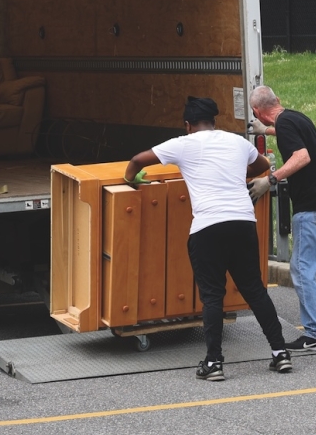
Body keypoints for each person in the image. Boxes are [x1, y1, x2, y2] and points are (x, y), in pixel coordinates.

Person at [123, 96, 292, 381]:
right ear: (214, 122)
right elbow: (262, 164)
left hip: (208, 227)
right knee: (254, 290)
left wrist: (132, 179)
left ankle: (214, 363)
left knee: (213, 296)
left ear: (188, 125)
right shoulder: (237, 142)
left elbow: (138, 160)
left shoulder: (182, 143)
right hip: (242, 222)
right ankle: (280, 353)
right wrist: (237, 174)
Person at [247, 85, 316, 353]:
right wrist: (265, 131)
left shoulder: (286, 124)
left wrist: (270, 179)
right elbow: (294, 138)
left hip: (312, 207)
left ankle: (315, 335)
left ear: (257, 111)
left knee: (302, 271)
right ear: (277, 101)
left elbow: (301, 155)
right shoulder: (294, 117)